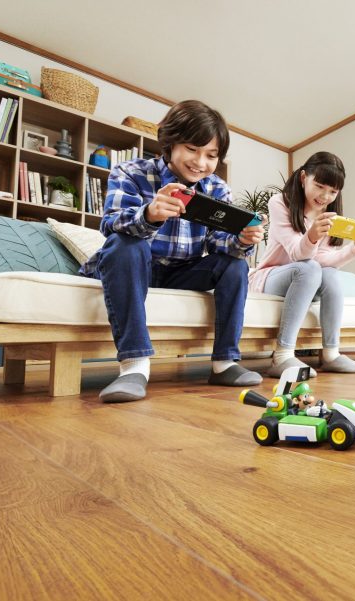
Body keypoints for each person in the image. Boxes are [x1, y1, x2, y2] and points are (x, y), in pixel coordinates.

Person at [80, 100, 264, 403]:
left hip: (183, 272)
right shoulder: (131, 172)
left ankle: (224, 362)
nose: (201, 162)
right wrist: (149, 214)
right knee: (126, 244)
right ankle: (134, 367)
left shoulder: (217, 189)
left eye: (211, 155)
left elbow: (218, 244)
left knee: (235, 264)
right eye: (192, 149)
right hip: (135, 265)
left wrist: (242, 239)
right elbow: (110, 225)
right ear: (169, 142)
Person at [249, 151, 355, 378]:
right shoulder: (280, 203)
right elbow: (298, 254)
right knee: (309, 268)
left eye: (333, 191)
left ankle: (331, 354)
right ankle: (283, 355)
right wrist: (313, 236)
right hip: (271, 277)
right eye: (319, 186)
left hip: (307, 277)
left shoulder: (327, 215)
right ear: (303, 177)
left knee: (330, 273)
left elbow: (324, 259)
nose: (325, 196)